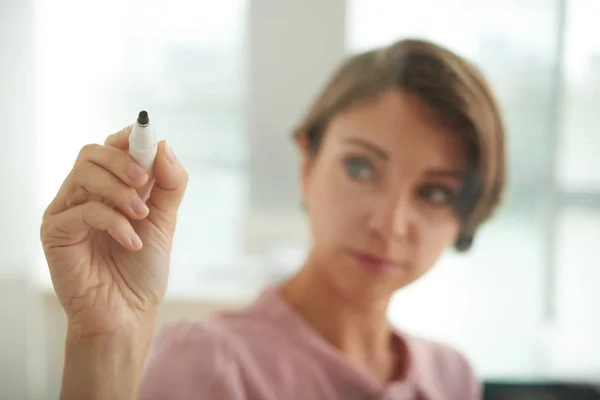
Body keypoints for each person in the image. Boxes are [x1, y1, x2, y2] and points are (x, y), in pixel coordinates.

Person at [40, 38, 505, 400]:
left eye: (435, 192)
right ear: (307, 162)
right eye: (361, 168)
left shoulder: (453, 378)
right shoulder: (207, 365)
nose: (389, 223)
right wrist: (103, 343)